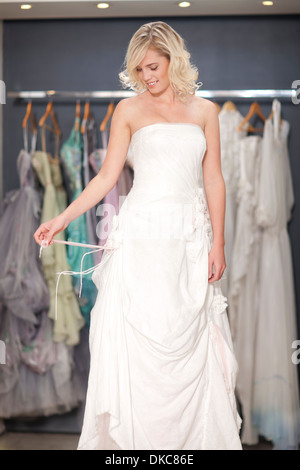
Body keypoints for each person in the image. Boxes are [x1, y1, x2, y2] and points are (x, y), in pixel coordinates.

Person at [34, 21, 242, 450]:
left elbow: (215, 180)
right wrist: (59, 219)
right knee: (138, 347)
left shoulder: (205, 111)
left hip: (187, 239)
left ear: (172, 60)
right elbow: (106, 177)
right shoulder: (128, 111)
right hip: (142, 237)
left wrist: (218, 241)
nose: (147, 76)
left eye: (153, 66)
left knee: (190, 345)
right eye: (139, 70)